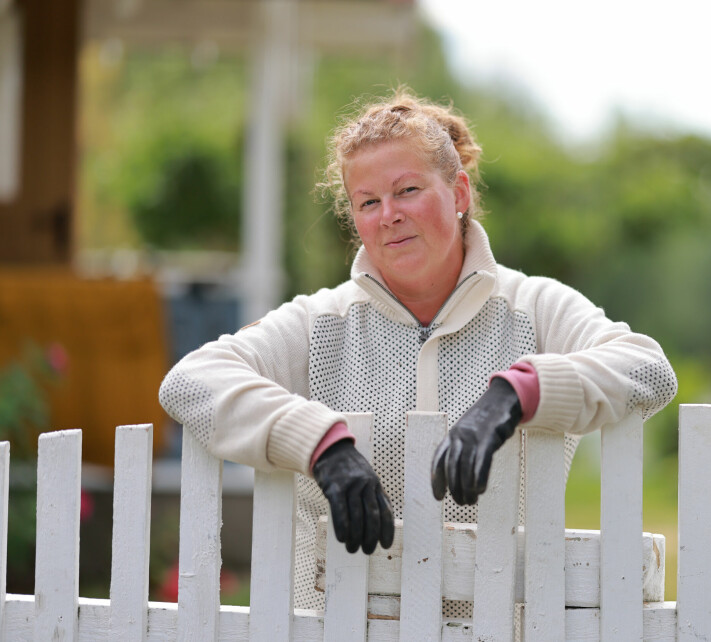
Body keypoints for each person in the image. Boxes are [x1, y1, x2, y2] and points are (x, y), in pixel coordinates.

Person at [158, 88, 678, 613]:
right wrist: (319, 443)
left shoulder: (534, 306)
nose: (388, 215)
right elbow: (190, 381)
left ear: (459, 193)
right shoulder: (319, 322)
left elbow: (647, 368)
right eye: (368, 202)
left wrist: (518, 393)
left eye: (407, 190)